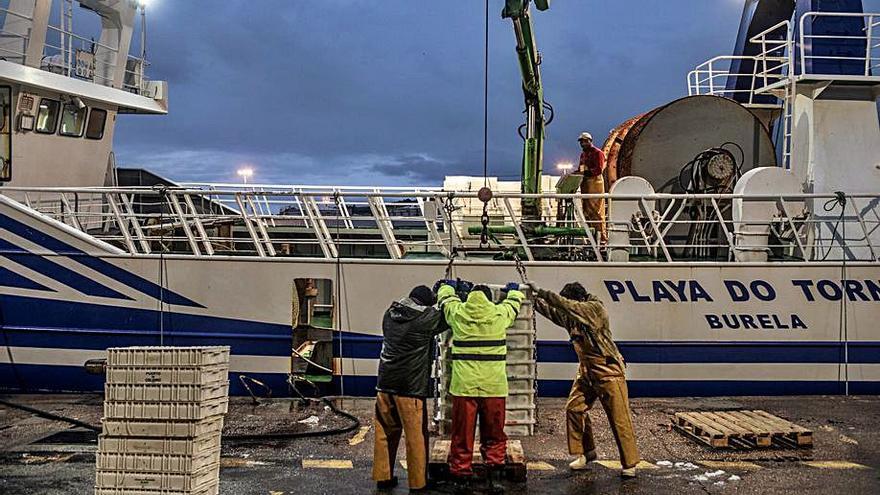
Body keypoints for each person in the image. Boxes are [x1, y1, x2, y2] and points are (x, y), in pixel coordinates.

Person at [528, 281, 639, 479]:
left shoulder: (594, 309)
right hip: (587, 371)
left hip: (608, 371)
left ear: (578, 299)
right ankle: (586, 453)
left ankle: (630, 463)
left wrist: (543, 291)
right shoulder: (572, 317)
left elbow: (567, 307)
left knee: (619, 419)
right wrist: (531, 299)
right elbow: (555, 312)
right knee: (574, 408)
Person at [435, 281, 525, 494]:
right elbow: (514, 303)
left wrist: (446, 286)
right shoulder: (499, 314)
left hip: (464, 386)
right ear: (488, 298)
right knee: (494, 432)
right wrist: (513, 290)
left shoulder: (459, 313)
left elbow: (446, 300)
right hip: (493, 386)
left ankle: (461, 476)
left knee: (462, 434)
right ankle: (495, 476)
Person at [372, 285, 449, 492]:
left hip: (385, 384)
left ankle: (383, 477)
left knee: (384, 433)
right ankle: (418, 483)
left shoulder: (390, 314)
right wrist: (451, 292)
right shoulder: (424, 319)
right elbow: (447, 318)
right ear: (425, 303)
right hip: (410, 388)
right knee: (416, 437)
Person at [577, 132, 608, 243]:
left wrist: (586, 173)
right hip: (585, 183)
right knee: (587, 211)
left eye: (585, 141)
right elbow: (580, 168)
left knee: (596, 212)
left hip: (595, 183)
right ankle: (591, 238)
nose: (583, 143)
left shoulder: (598, 153)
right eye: (581, 141)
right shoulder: (583, 155)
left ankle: (601, 239)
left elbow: (599, 169)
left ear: (590, 141)